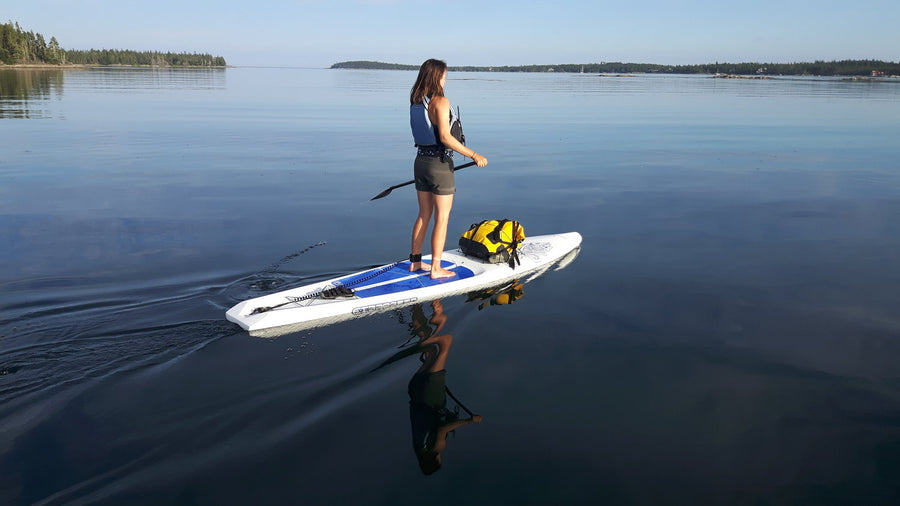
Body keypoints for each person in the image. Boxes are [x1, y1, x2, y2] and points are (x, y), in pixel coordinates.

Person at [408, 59, 488, 279]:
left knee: (424, 214)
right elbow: (445, 137)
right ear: (437, 76)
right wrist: (474, 154)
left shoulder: (416, 100)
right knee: (441, 217)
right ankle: (435, 268)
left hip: (420, 162)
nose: (446, 78)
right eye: (444, 74)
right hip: (439, 166)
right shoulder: (440, 102)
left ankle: (415, 262)